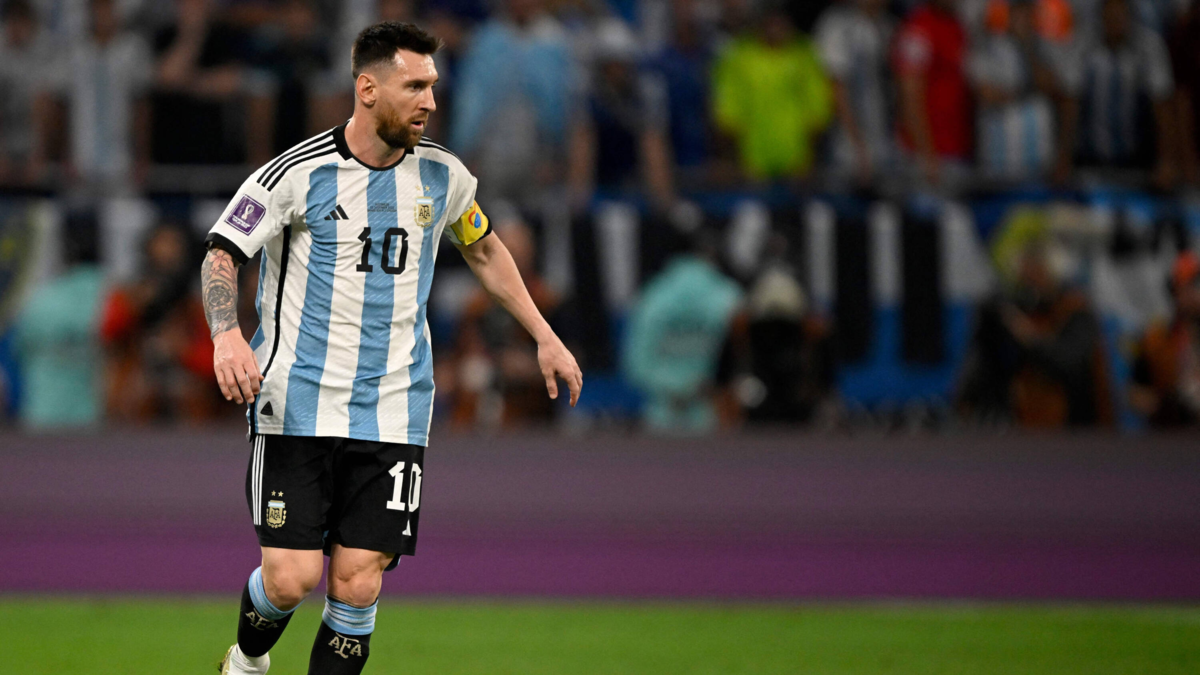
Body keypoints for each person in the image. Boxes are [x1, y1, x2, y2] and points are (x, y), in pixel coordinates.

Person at [201, 22, 582, 675]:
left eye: (433, 86)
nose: (430, 101)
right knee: (291, 579)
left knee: (357, 581)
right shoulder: (295, 173)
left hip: (394, 410)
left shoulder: (443, 176)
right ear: (368, 89)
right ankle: (246, 660)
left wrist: (544, 335)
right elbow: (221, 253)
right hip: (296, 401)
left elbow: (485, 249)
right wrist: (225, 333)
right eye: (415, 86)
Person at [1060, 0, 1182, 187]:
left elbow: (1163, 106)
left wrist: (1167, 161)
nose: (1114, 22)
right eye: (1109, 17)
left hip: (1139, 160)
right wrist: (1063, 159)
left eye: (1119, 16)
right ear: (1101, 17)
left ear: (1130, 17)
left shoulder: (1150, 46)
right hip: (1089, 158)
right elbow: (1070, 103)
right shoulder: (1082, 44)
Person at [710, 2, 832, 182]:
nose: (776, 27)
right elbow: (727, 112)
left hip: (797, 161)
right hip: (752, 162)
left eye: (781, 21)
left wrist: (810, 158)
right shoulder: (739, 56)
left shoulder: (804, 54)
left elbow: (818, 108)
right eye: (771, 21)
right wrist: (733, 160)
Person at [893, 0, 972, 187]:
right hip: (927, 156)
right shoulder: (918, 29)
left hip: (957, 149)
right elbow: (910, 95)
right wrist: (926, 154)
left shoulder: (957, 26)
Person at [814, 0, 894, 183]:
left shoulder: (887, 24)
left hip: (885, 141)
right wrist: (857, 146)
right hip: (846, 146)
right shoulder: (837, 24)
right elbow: (835, 88)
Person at [1129, 250, 1200, 427]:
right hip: (1174, 432)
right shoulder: (1156, 339)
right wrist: (1167, 403)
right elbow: (1135, 394)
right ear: (1175, 292)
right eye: (1189, 285)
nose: (1194, 293)